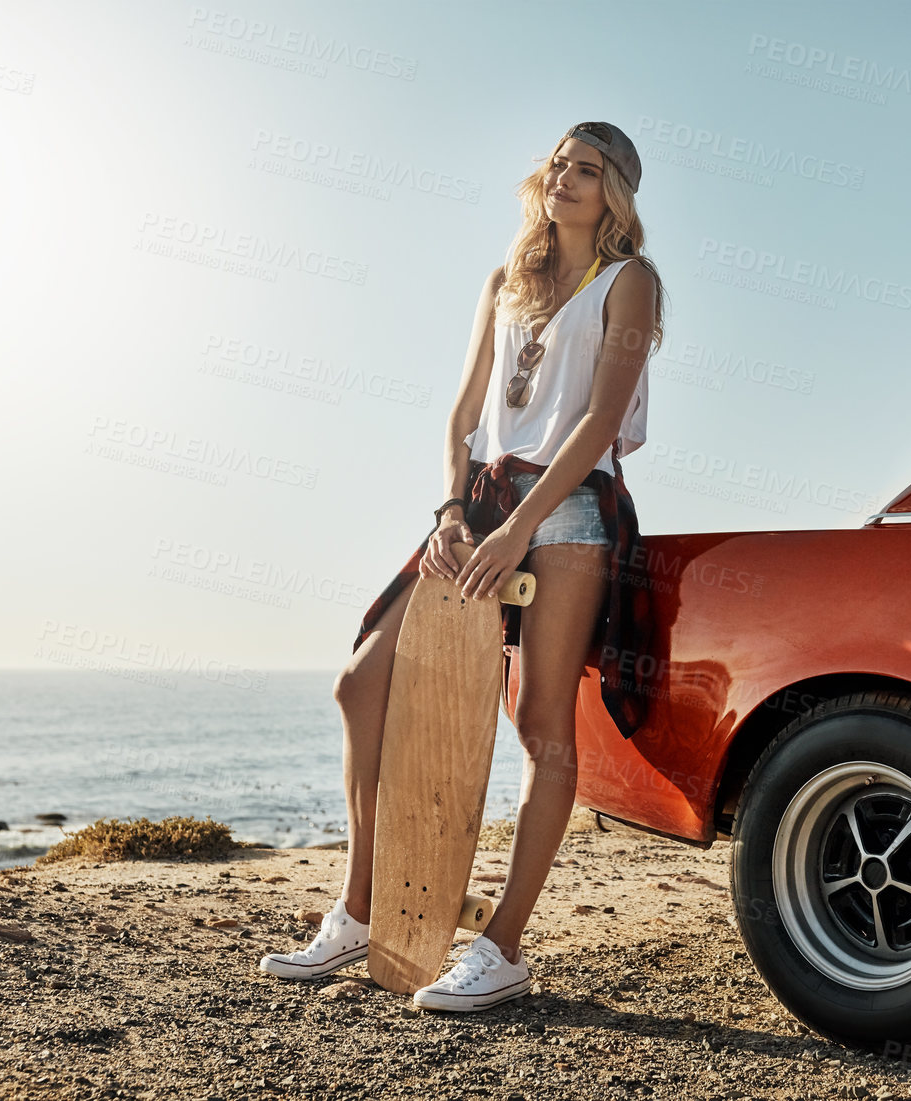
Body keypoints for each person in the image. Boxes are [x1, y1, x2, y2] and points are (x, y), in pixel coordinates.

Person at [259, 122, 665, 1011]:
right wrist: (452, 510)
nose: (565, 177)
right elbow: (462, 415)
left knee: (541, 724)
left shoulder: (630, 283)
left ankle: (501, 947)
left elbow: (600, 421)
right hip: (475, 502)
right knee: (362, 682)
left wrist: (519, 527)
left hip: (565, 508)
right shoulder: (504, 279)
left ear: (615, 194)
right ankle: (362, 910)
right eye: (558, 161)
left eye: (587, 170)